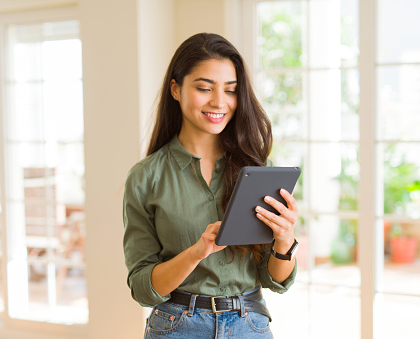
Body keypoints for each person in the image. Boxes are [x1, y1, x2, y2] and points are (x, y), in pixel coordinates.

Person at [123, 32, 299, 338]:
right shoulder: (145, 177)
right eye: (204, 88)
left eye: (231, 91)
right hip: (177, 327)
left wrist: (285, 241)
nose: (219, 102)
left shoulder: (255, 170)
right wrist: (197, 252)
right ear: (175, 89)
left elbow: (274, 281)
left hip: (250, 325)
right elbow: (143, 288)